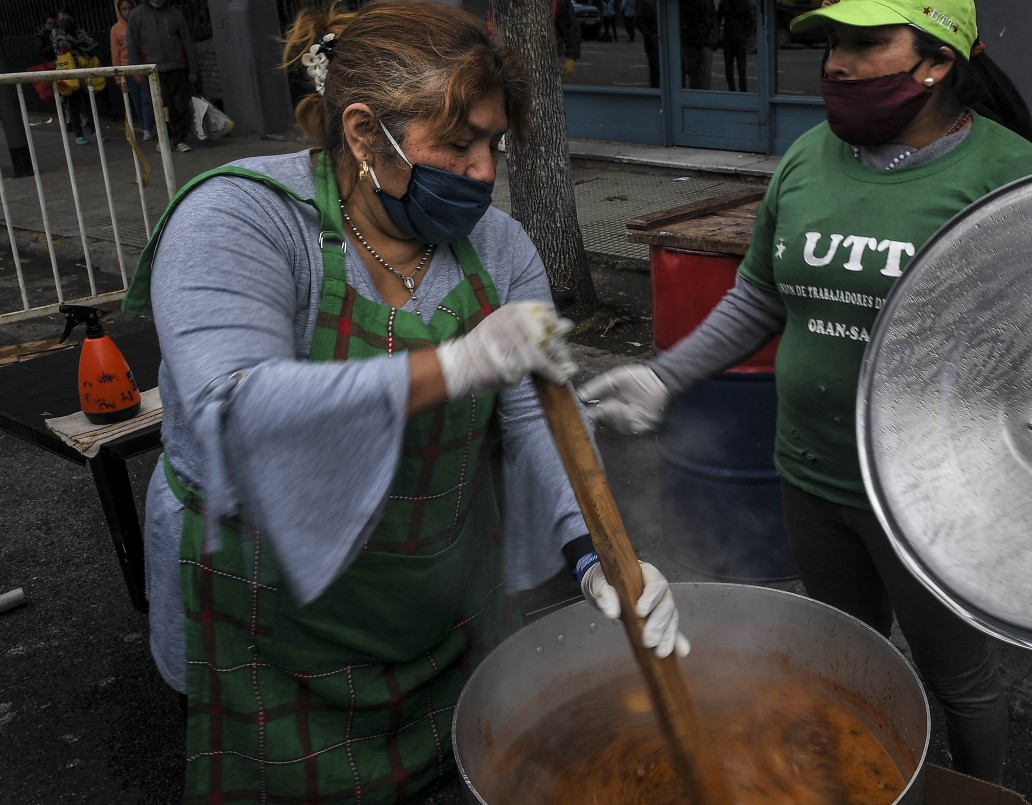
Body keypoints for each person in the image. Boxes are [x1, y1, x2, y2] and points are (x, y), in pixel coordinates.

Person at [120, 3, 685, 799]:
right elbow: (230, 410)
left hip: (434, 595)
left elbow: (537, 420)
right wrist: (454, 367)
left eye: (493, 142)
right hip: (265, 608)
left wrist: (595, 553)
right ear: (362, 133)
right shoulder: (241, 218)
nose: (485, 170)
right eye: (457, 144)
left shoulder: (499, 249)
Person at [577, 0, 1032, 784]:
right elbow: (761, 294)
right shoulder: (805, 159)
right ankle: (853, 784)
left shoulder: (1012, 179)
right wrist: (666, 374)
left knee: (956, 678)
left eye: (865, 44)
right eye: (831, 44)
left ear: (936, 62)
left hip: (932, 500)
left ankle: (979, 792)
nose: (836, 62)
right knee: (837, 653)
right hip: (808, 471)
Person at [124, 0, 196, 152]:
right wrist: (136, 70)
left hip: (177, 68)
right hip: (154, 70)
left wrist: (193, 68)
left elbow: (187, 42)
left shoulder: (175, 14)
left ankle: (180, 139)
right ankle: (164, 138)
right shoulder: (138, 15)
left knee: (180, 105)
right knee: (161, 106)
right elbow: (132, 45)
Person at [48, 8, 101, 145]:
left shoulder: (79, 31)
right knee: (73, 104)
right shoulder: (56, 33)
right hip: (68, 72)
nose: (64, 20)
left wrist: (79, 46)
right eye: (60, 18)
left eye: (66, 16)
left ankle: (96, 132)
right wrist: (80, 46)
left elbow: (93, 44)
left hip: (84, 69)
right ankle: (79, 134)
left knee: (90, 102)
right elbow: (63, 46)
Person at [110, 0, 156, 141]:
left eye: (129, 8)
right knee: (137, 100)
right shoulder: (116, 30)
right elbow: (115, 53)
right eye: (123, 9)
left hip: (143, 67)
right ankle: (145, 126)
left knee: (146, 99)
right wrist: (117, 76)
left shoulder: (140, 23)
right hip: (128, 70)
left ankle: (148, 128)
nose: (127, 12)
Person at [716, 0, 754, 92]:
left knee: (732, 68)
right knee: (740, 68)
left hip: (730, 38)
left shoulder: (724, 3)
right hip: (737, 38)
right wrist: (745, 34)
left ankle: (734, 91)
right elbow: (751, 22)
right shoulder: (744, 3)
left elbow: (717, 20)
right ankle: (742, 91)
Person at [680, 0, 716, 89]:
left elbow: (713, 18)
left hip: (702, 42)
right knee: (699, 79)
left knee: (702, 79)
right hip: (696, 43)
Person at [638, 0, 660, 87]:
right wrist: (650, 36)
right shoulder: (649, 4)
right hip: (653, 44)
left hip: (667, 43)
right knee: (655, 70)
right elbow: (640, 23)